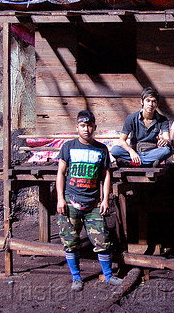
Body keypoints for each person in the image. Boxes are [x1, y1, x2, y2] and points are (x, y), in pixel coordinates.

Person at [56, 110, 124, 292]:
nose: (86, 129)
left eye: (89, 126)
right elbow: (60, 173)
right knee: (70, 241)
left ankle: (109, 276)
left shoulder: (101, 149)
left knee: (102, 240)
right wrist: (60, 198)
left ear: (95, 127)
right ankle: (76, 277)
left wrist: (105, 199)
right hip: (71, 201)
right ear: (77, 127)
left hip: (93, 203)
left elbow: (106, 176)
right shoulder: (68, 147)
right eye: (83, 126)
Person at [111, 87, 172, 167]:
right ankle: (148, 163)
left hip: (152, 152)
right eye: (148, 101)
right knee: (115, 150)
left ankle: (134, 163)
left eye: (154, 101)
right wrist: (131, 152)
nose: (150, 104)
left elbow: (167, 138)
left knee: (168, 150)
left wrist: (165, 141)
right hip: (135, 151)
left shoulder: (163, 120)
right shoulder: (131, 118)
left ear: (157, 104)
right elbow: (121, 141)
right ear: (142, 102)